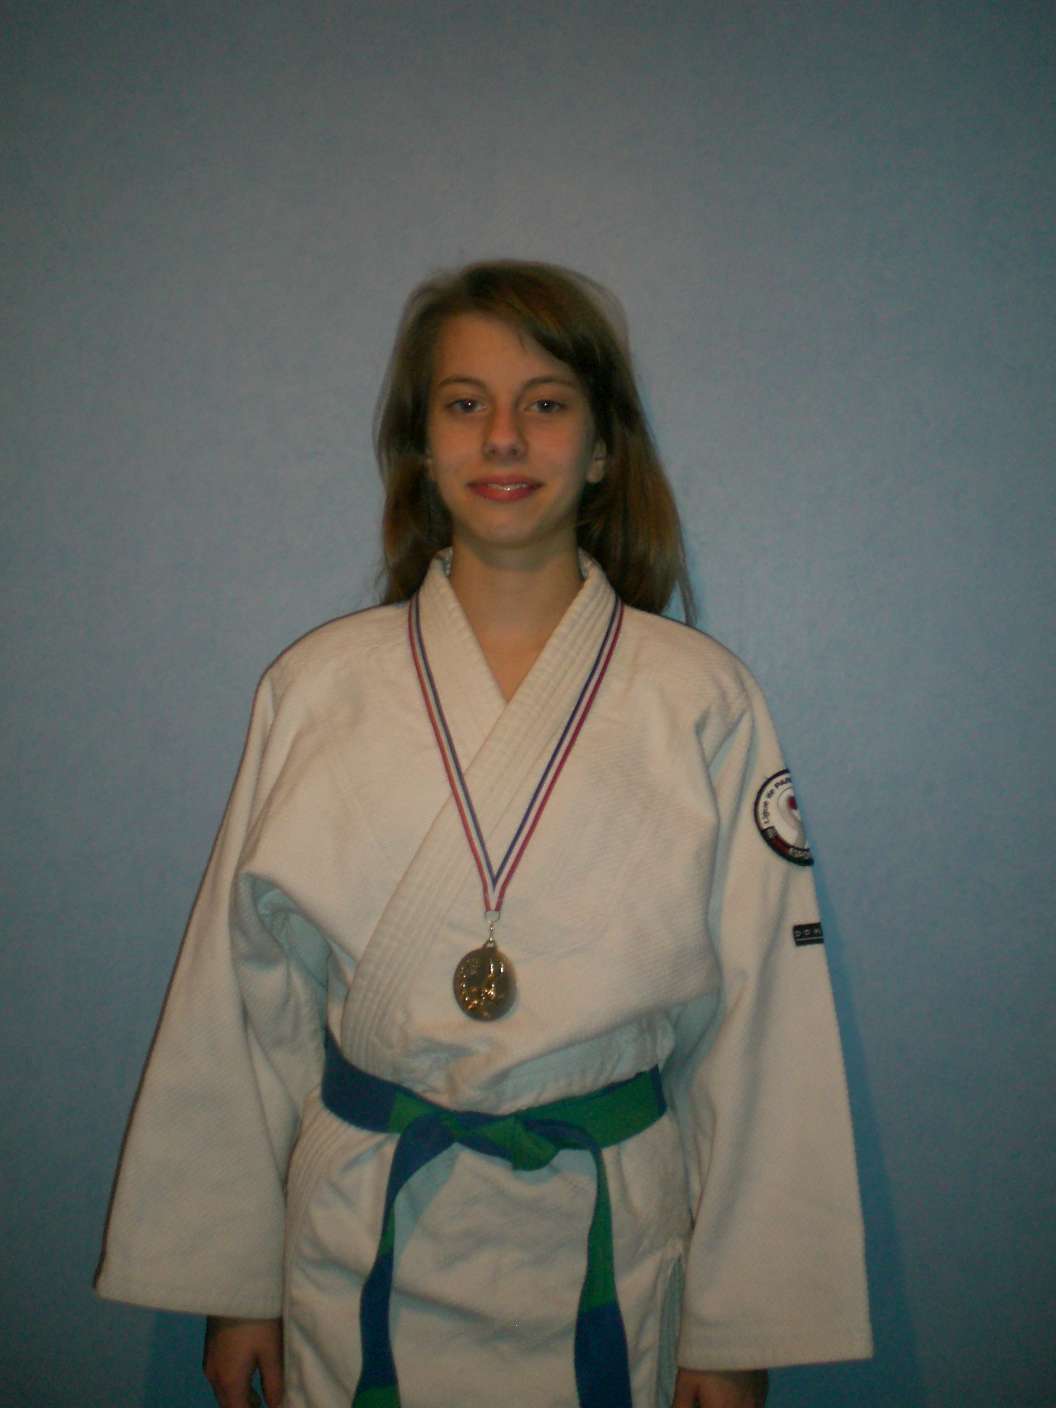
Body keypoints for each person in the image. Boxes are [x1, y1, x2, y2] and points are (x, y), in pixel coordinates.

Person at [96, 261, 872, 1408]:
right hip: (364, 1229)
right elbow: (241, 1000)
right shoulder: (317, 688)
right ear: (423, 445)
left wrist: (736, 1326)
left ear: (602, 449)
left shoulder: (702, 700)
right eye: (465, 403)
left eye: (546, 402)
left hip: (608, 1236)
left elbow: (762, 1033)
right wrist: (235, 1279)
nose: (504, 436)